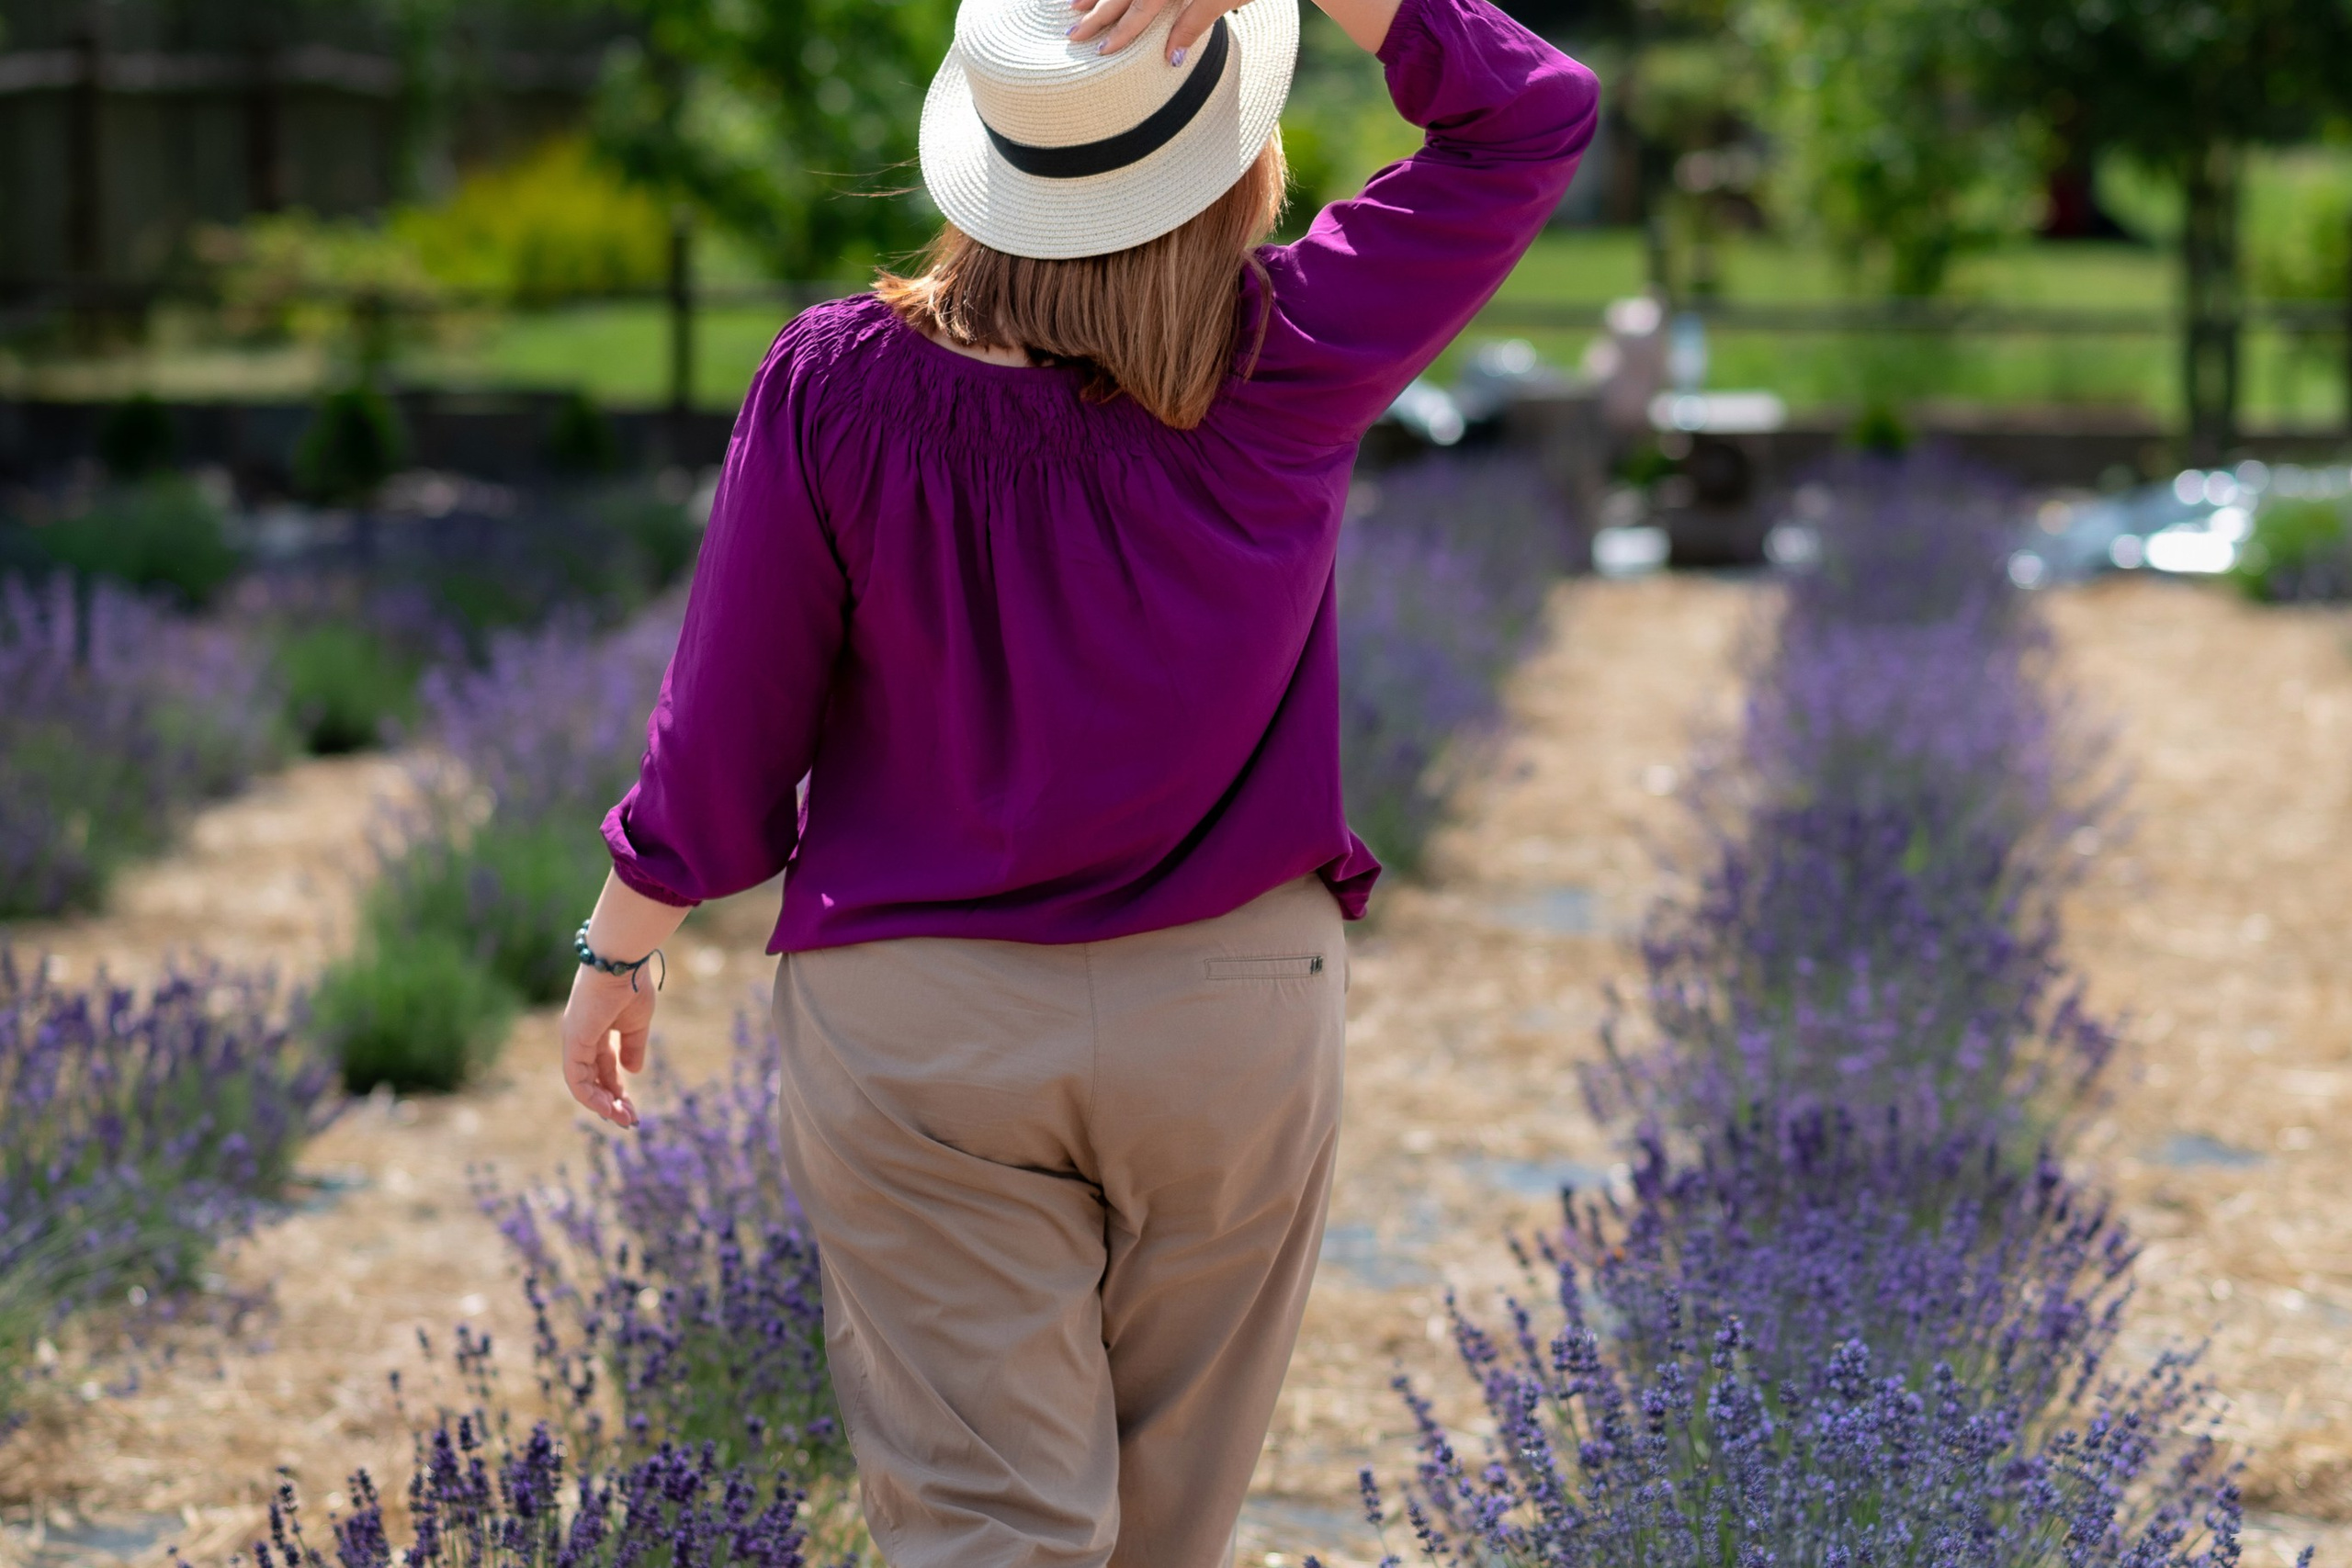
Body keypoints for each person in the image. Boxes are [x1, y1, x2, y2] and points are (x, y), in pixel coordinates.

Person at [558, 0, 1596, 1554]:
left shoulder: (833, 385)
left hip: (919, 1027)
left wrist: (619, 949)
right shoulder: (1295, 351)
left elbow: (725, 735)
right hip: (1230, 1014)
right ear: (1234, 157)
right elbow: (1533, 111)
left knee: (988, 1525)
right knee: (1167, 1527)